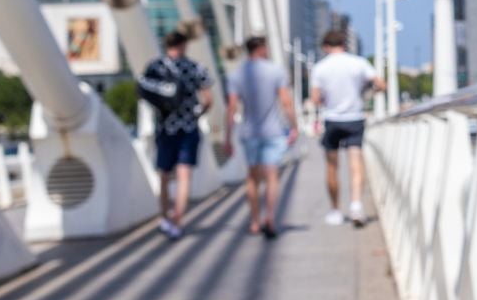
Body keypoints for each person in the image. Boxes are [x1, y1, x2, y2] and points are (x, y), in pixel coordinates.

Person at [137, 28, 214, 240]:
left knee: (163, 175)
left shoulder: (155, 66)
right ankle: (177, 220)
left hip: (165, 128)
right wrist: (197, 113)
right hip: (188, 128)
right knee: (183, 175)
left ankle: (164, 218)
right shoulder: (196, 68)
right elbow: (208, 100)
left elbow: (144, 92)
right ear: (184, 45)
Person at [308, 28, 383, 226]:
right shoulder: (359, 63)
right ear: (344, 44)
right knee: (356, 164)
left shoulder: (320, 67)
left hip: (332, 119)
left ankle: (335, 210)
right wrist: (368, 93)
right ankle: (356, 206)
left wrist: (325, 99)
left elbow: (315, 99)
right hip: (355, 118)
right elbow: (381, 85)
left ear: (325, 46)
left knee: (332, 166)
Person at [227, 34, 296, 238]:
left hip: (249, 133)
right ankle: (271, 217)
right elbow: (286, 102)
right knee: (272, 177)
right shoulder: (276, 71)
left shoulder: (236, 74)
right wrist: (294, 126)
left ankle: (255, 221)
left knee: (252, 178)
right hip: (273, 132)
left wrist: (227, 137)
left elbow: (231, 108)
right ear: (262, 49)